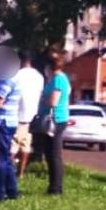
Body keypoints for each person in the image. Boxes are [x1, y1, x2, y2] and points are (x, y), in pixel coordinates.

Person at [36, 52, 71, 195]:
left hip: (55, 120)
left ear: (49, 66)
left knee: (54, 154)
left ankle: (56, 188)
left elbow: (53, 101)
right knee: (49, 153)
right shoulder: (54, 79)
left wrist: (42, 98)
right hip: (53, 119)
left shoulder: (58, 80)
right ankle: (53, 185)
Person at [0, 70, 21, 201]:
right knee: (6, 159)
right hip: (7, 121)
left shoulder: (7, 79)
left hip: (1, 122)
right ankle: (11, 190)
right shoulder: (9, 77)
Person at [12, 50, 45, 179]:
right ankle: (20, 172)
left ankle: (9, 171)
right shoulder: (39, 76)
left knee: (12, 147)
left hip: (16, 115)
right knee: (26, 146)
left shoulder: (15, 75)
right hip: (33, 117)